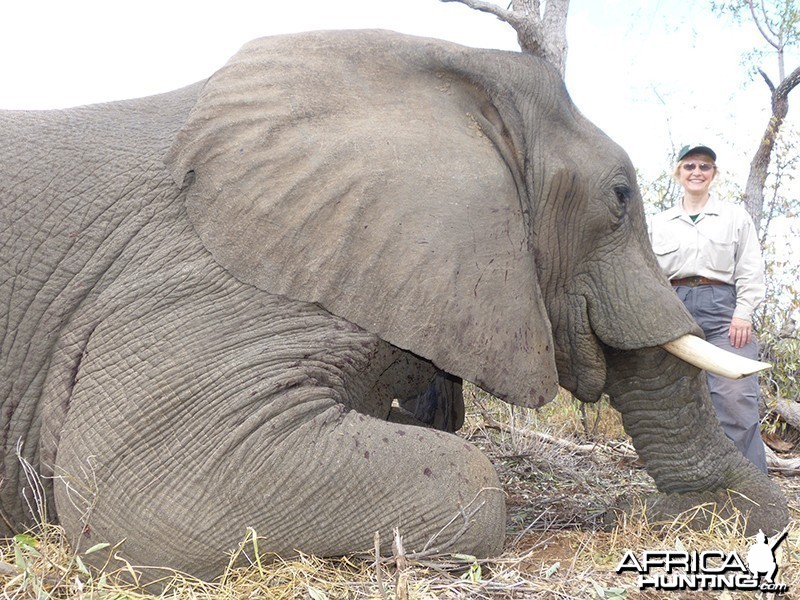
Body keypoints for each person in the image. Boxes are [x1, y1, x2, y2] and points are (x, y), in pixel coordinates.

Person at [649, 144, 768, 473]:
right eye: (689, 166)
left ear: (714, 174)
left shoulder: (734, 217)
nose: (697, 172)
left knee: (736, 399)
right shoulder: (659, 223)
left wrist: (743, 312)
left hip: (723, 315)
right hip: (674, 314)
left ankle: (754, 493)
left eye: (704, 166)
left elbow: (750, 269)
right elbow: (648, 275)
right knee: (674, 404)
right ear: (678, 173)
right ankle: (690, 487)